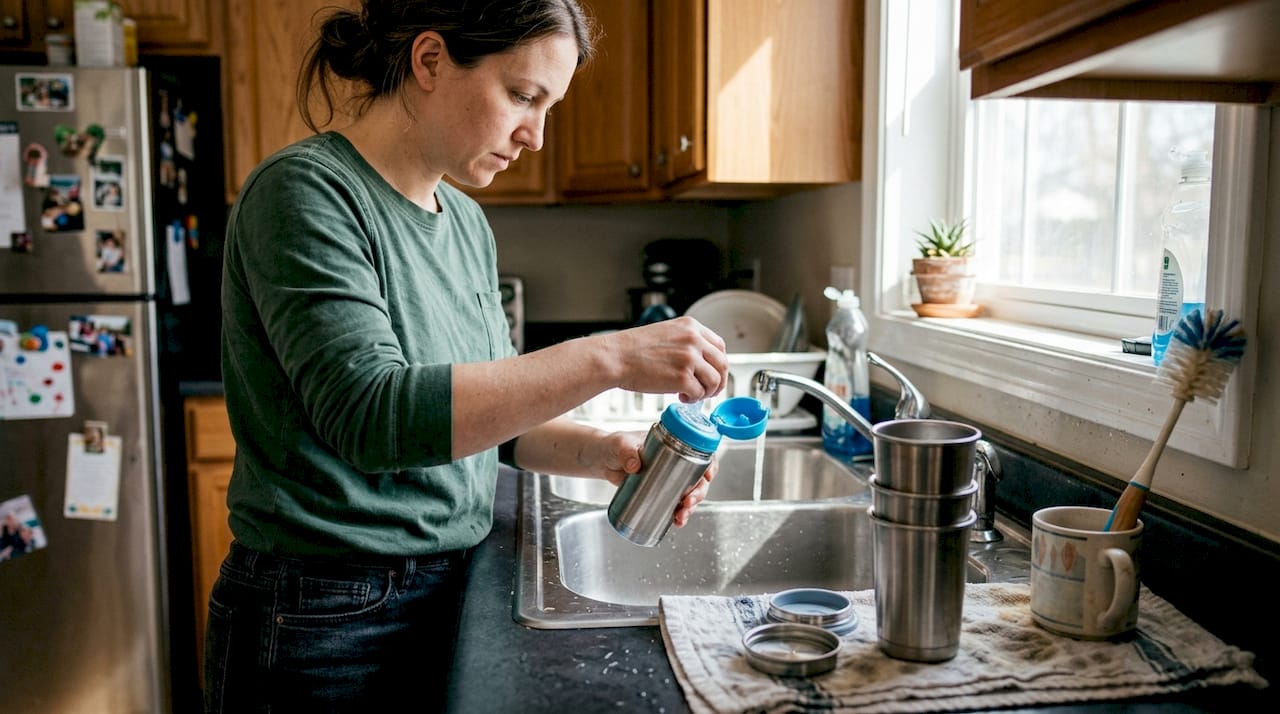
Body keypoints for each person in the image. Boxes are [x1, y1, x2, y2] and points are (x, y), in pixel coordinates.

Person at [203, 2, 728, 712]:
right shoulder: (305, 193)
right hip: (323, 617)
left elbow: (492, 424)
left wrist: (605, 451)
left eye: (549, 107)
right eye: (522, 95)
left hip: (446, 589)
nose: (536, 136)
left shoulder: (467, 225)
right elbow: (372, 417)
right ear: (429, 61)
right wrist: (609, 357)